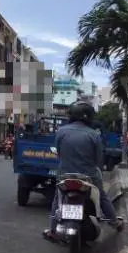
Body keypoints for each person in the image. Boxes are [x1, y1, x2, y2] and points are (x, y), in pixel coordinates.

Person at [43, 100, 123, 242]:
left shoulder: (61, 131)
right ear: (89, 116)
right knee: (101, 196)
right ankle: (114, 222)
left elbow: (59, 152)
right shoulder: (94, 135)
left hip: (64, 174)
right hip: (88, 176)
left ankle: (52, 230)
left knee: (58, 197)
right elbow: (98, 159)